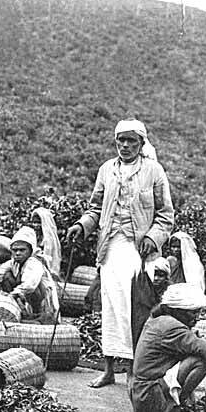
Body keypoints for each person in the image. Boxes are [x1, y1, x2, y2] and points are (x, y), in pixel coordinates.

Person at [66, 118, 174, 388]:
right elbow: (95, 208)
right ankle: (108, 369)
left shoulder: (153, 171)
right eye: (121, 141)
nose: (125, 146)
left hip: (139, 250)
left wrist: (153, 236)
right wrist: (82, 225)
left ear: (141, 143)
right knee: (111, 307)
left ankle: (135, 370)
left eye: (131, 141)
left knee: (136, 307)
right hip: (111, 247)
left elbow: (166, 215)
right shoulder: (107, 170)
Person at [130, 283, 206, 412]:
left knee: (197, 353)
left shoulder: (160, 319)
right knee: (202, 360)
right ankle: (171, 407)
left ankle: (175, 402)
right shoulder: (172, 326)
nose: (196, 318)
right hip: (149, 398)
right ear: (176, 310)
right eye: (192, 313)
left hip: (141, 393)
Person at [0, 226, 60, 323]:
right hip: (26, 299)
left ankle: (38, 316)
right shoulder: (13, 263)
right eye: (14, 250)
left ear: (30, 250)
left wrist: (9, 296)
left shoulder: (34, 262)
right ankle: (22, 311)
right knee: (7, 276)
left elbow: (29, 285)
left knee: (28, 290)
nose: (17, 253)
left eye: (22, 250)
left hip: (42, 303)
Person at [33, 207, 62, 280]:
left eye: (38, 223)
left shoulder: (48, 239)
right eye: (34, 222)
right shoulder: (34, 235)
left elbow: (48, 258)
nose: (36, 225)